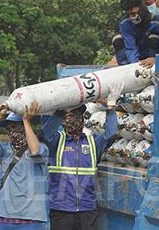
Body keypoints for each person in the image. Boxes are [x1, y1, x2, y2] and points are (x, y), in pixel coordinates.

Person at [43, 83, 124, 230]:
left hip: (87, 209)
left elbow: (111, 134)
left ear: (83, 120)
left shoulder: (93, 143)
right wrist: (60, 112)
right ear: (64, 121)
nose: (72, 119)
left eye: (76, 116)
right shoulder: (57, 142)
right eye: (68, 116)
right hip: (61, 210)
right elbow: (46, 134)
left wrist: (111, 107)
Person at [0, 101, 49, 230]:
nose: (12, 132)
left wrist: (26, 121)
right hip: (4, 215)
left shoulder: (42, 148)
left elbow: (34, 151)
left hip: (32, 218)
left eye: (16, 126)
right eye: (9, 128)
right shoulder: (6, 151)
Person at [112, 0, 159, 67]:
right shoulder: (125, 23)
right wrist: (134, 65)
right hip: (133, 58)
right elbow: (131, 47)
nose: (131, 17)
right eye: (128, 14)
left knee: (154, 37)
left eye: (133, 13)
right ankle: (124, 67)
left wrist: (156, 59)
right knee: (117, 39)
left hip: (153, 57)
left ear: (142, 7)